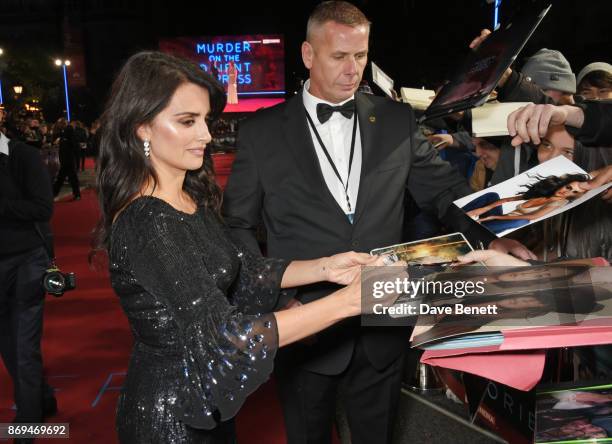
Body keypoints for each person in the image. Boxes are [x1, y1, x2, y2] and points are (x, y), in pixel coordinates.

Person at [221, 2, 532, 443]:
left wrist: (492, 235)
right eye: (339, 57)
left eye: (361, 56)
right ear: (308, 55)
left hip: (385, 321)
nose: (353, 70)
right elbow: (235, 226)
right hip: (304, 323)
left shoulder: (397, 120)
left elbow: (445, 193)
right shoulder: (262, 132)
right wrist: (276, 299)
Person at [94, 51, 404, 444]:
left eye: (206, 120)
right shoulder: (148, 221)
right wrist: (350, 302)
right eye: (187, 121)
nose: (206, 135)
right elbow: (228, 335)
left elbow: (244, 269)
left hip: (205, 403)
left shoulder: (189, 198)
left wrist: (326, 267)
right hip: (171, 418)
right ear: (142, 128)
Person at [0, 107, 57, 441]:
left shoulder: (24, 156)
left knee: (23, 344)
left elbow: (43, 208)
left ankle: (28, 423)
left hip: (26, 261)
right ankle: (41, 397)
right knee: (8, 343)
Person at [463, 173, 591, 234]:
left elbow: (533, 217)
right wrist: (483, 209)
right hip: (494, 220)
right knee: (492, 196)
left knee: (522, 221)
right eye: (568, 187)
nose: (567, 192)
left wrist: (494, 216)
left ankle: (474, 232)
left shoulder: (560, 203)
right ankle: (459, 214)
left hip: (497, 224)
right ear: (564, 183)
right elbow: (508, 199)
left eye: (574, 192)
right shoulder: (545, 191)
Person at [52, 118, 81, 200]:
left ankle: (76, 194)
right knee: (63, 177)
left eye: (60, 124)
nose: (58, 125)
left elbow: (73, 144)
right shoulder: (64, 132)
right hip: (66, 158)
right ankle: (76, 194)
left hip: (68, 158)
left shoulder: (68, 131)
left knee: (68, 177)